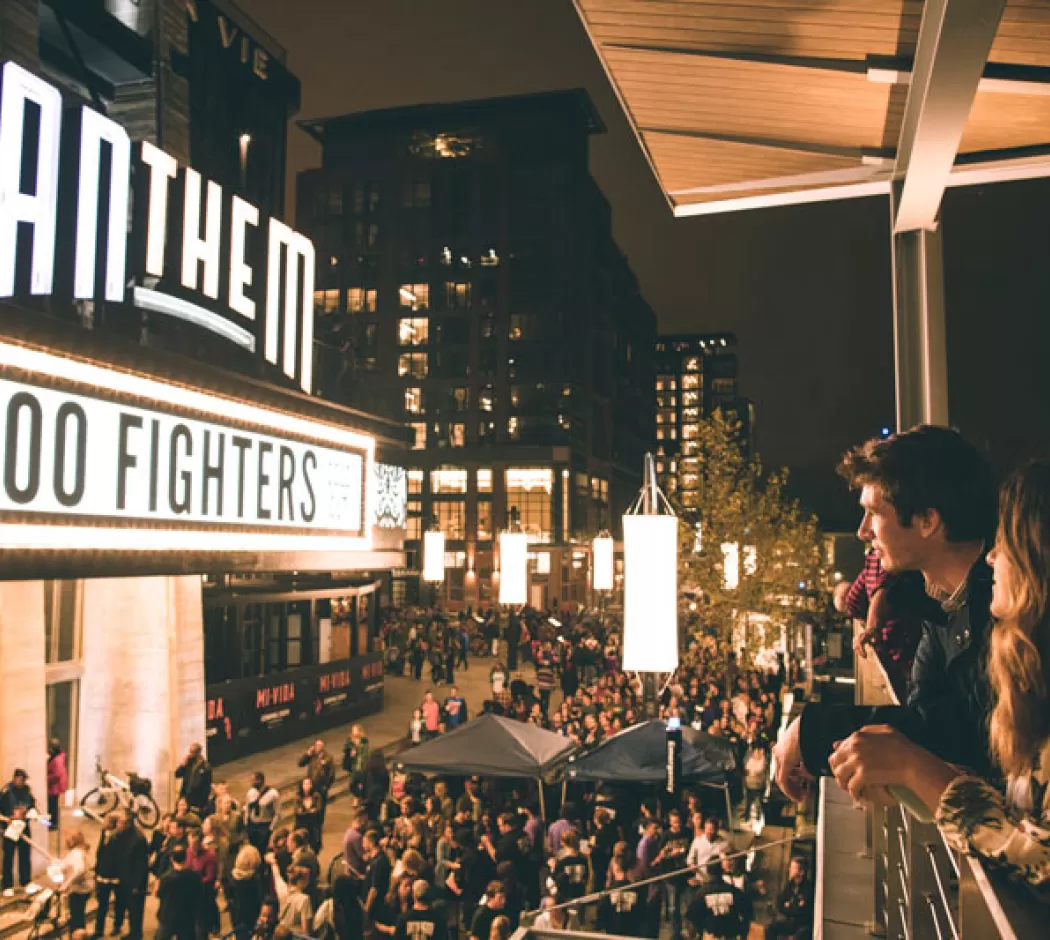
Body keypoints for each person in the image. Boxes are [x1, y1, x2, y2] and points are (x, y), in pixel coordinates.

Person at [828, 459, 1050, 890]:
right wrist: (909, 777)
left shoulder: (996, 648)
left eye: (1005, 545)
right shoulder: (946, 619)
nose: (992, 556)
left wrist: (917, 771)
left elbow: (1040, 858)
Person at [774, 427, 998, 802]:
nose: (863, 532)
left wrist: (811, 731)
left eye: (873, 513)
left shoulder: (1010, 606)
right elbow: (930, 724)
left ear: (928, 521)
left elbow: (963, 737)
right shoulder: (936, 603)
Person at [686, 859, 753, 940]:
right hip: (730, 936)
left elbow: (693, 921)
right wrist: (743, 936)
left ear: (708, 872)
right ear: (722, 871)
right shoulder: (734, 891)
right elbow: (747, 914)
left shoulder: (700, 894)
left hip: (710, 936)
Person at [112, 808, 149, 940]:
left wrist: (137, 885)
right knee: (122, 905)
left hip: (134, 882)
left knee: (135, 910)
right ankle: (125, 928)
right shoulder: (119, 835)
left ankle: (136, 934)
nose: (118, 825)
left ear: (128, 823)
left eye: (120, 822)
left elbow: (142, 865)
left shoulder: (138, 839)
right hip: (122, 878)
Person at [155, 844, 203, 940]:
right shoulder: (195, 876)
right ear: (186, 858)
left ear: (172, 859)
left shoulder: (166, 878)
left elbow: (160, 894)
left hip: (168, 915)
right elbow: (199, 895)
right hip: (187, 916)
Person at [0, 768, 35, 891]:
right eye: (20, 780)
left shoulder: (27, 791)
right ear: (15, 779)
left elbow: (32, 805)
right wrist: (6, 820)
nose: (22, 782)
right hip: (10, 828)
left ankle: (25, 881)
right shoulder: (5, 792)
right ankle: (7, 885)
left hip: (24, 827)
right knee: (8, 857)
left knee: (25, 855)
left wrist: (32, 813)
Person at [765, 856, 813, 939]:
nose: (790, 870)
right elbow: (779, 903)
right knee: (770, 928)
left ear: (801, 872)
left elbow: (801, 912)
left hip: (803, 925)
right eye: (790, 867)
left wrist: (788, 905)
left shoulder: (808, 889)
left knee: (799, 936)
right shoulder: (790, 884)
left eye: (793, 868)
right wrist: (791, 906)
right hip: (791, 922)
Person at [226, 844, 266, 939]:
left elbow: (229, 897)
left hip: (236, 915)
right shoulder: (255, 880)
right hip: (251, 916)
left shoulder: (231, 877)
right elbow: (259, 898)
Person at [56, 830, 93, 931]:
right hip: (81, 889)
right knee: (78, 916)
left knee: (77, 918)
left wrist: (66, 884)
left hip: (79, 890)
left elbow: (79, 869)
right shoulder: (79, 851)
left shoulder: (76, 853)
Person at [186, 826, 219, 936]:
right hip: (192, 887)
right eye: (190, 842)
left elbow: (210, 877)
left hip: (204, 889)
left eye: (194, 843)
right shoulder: (189, 851)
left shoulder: (210, 856)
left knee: (202, 919)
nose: (192, 846)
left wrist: (195, 884)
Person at [94, 813, 120, 936]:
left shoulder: (119, 836)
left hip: (115, 875)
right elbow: (100, 852)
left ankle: (117, 926)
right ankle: (99, 930)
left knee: (118, 903)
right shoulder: (104, 833)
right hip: (103, 874)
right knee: (102, 904)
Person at [245, 772, 281, 855]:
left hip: (264, 825)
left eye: (253, 781)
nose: (251, 783)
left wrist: (270, 828)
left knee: (263, 851)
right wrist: (246, 824)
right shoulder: (250, 793)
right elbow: (247, 809)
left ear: (259, 781)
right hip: (253, 825)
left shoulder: (273, 794)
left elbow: (277, 813)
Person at [175, 743, 213, 812]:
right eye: (190, 752)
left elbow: (207, 786)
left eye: (192, 752)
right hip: (185, 796)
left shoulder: (205, 766)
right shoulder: (188, 762)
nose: (190, 754)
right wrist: (182, 765)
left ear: (198, 753)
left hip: (197, 799)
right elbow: (177, 774)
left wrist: (203, 802)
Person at [297, 739, 336, 806]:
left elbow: (331, 773)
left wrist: (327, 785)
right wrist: (307, 754)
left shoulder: (328, 757)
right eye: (317, 745)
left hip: (322, 786)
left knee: (321, 806)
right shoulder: (311, 755)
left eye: (320, 745)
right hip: (311, 785)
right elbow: (300, 764)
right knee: (311, 805)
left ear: (323, 746)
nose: (318, 747)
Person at [45, 739, 67, 848]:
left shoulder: (56, 760)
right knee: (53, 805)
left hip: (54, 786)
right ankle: (53, 823)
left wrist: (46, 778)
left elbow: (57, 774)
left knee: (52, 806)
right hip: (54, 786)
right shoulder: (58, 757)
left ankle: (52, 824)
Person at [294, 777, 324, 852]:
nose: (306, 786)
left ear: (312, 785)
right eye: (304, 784)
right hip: (301, 826)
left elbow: (318, 810)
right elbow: (297, 812)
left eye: (308, 784)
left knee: (314, 848)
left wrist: (305, 813)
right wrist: (309, 812)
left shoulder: (316, 796)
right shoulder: (298, 797)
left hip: (313, 827)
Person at [342, 725, 369, 801]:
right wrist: (350, 754)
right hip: (353, 765)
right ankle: (356, 796)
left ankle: (358, 798)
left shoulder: (364, 741)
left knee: (361, 782)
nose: (353, 732)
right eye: (353, 730)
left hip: (362, 764)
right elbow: (345, 751)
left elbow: (366, 752)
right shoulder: (349, 741)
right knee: (353, 783)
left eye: (355, 730)